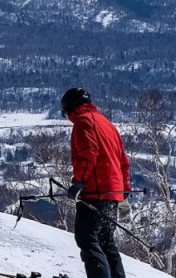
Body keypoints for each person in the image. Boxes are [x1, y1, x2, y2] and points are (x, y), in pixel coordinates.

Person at [61, 88, 131, 278]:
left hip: (96, 191)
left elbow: (87, 154)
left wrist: (79, 182)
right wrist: (124, 189)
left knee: (87, 238)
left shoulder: (83, 122)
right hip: (113, 192)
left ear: (70, 108)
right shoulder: (107, 124)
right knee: (106, 239)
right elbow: (123, 159)